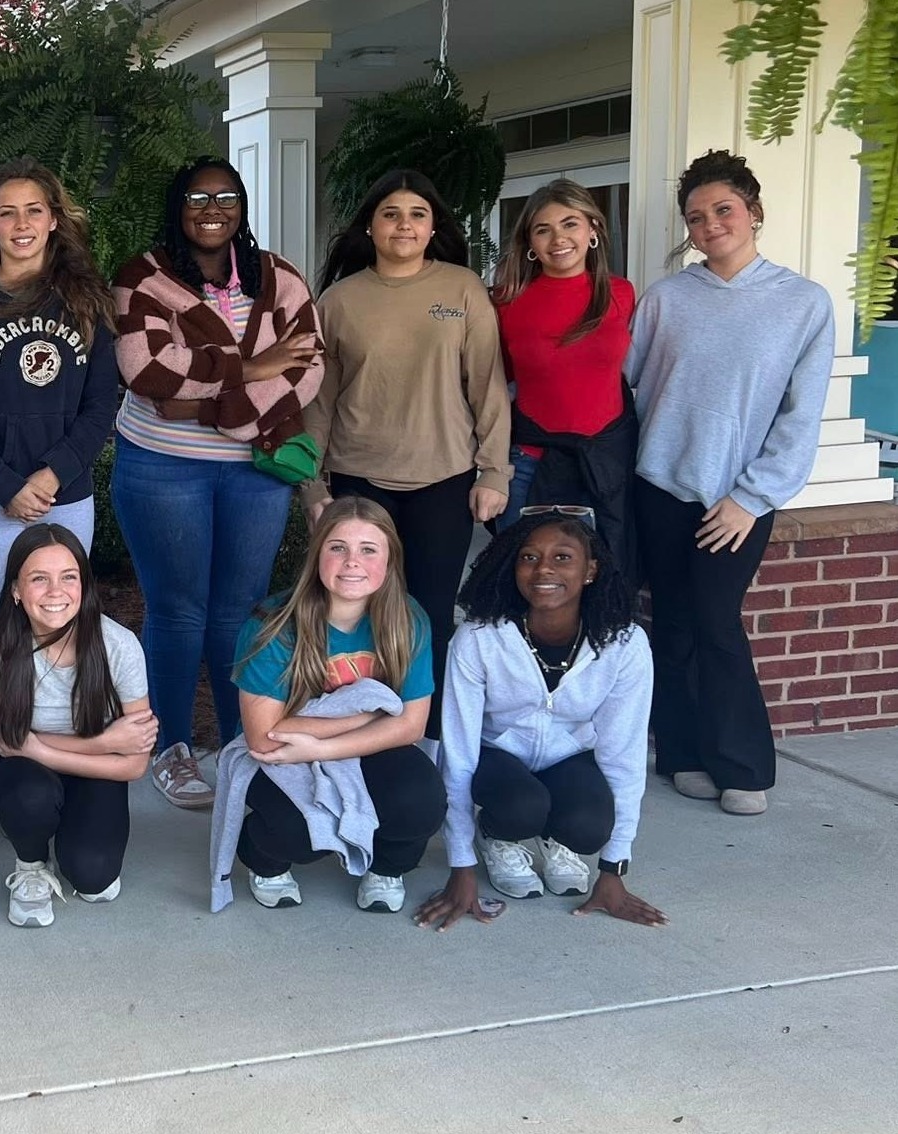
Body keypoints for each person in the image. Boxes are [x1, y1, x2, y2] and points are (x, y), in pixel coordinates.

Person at [111, 156, 325, 810]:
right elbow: (147, 373)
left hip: (254, 472)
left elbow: (306, 368)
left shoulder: (277, 277)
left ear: (241, 205)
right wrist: (252, 366)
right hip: (161, 465)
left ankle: (241, 741)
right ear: (179, 206)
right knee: (177, 611)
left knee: (243, 611)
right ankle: (172, 746)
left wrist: (210, 402)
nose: (213, 208)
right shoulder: (143, 279)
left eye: (226, 196)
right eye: (199, 197)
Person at [627, 150, 833, 817]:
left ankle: (742, 765)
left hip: (738, 499)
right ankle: (683, 754)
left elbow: (802, 415)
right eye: (696, 216)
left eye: (724, 210)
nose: (711, 224)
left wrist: (753, 496)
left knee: (717, 621)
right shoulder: (666, 299)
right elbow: (629, 386)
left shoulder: (803, 304)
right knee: (673, 623)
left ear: (754, 212)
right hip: (661, 486)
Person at [306, 169, 511, 739]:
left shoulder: (462, 288)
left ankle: (429, 738)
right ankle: (356, 730)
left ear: (433, 226)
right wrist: (312, 487)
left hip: (442, 477)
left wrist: (494, 470)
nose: (404, 224)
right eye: (391, 213)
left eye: (417, 214)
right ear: (369, 226)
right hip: (357, 480)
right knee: (353, 613)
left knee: (429, 616)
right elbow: (318, 401)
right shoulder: (340, 300)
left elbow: (487, 385)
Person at [419, 511, 665, 930]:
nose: (544, 568)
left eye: (562, 557)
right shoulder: (479, 638)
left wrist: (613, 871)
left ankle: (558, 840)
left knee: (589, 826)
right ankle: (498, 835)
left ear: (590, 570)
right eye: (529, 557)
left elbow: (623, 754)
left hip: (569, 755)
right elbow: (457, 753)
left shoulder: (623, 643)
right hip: (497, 756)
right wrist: (461, 867)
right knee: (521, 806)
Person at [219, 498, 443, 914]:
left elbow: (412, 726)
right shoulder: (274, 621)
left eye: (368, 549)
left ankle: (386, 866)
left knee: (422, 798)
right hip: (281, 757)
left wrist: (320, 747)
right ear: (317, 555)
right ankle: (263, 858)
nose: (352, 562)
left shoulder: (408, 619)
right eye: (337, 547)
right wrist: (369, 716)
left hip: (332, 744)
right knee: (299, 830)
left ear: (390, 559)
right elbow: (265, 736)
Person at [0, 157, 119, 633]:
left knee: (61, 627)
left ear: (54, 219)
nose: (22, 224)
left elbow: (100, 405)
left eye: (34, 210)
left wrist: (54, 475)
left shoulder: (86, 298)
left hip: (67, 496)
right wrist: (5, 485)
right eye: (7, 212)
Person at [0, 525, 155, 927]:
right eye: (39, 579)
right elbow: (7, 742)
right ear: (16, 591)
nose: (55, 591)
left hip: (96, 776)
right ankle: (31, 865)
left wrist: (42, 747)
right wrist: (105, 741)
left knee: (94, 879)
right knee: (28, 796)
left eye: (68, 577)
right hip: (30, 773)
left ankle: (72, 831)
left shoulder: (118, 645)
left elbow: (134, 764)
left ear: (84, 584)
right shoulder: (0, 647)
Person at [491, 180, 639, 570]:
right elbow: (494, 384)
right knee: (518, 576)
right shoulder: (506, 302)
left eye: (570, 223)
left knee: (600, 577)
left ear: (593, 230)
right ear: (530, 243)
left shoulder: (620, 293)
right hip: (530, 462)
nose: (559, 238)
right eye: (544, 229)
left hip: (604, 464)